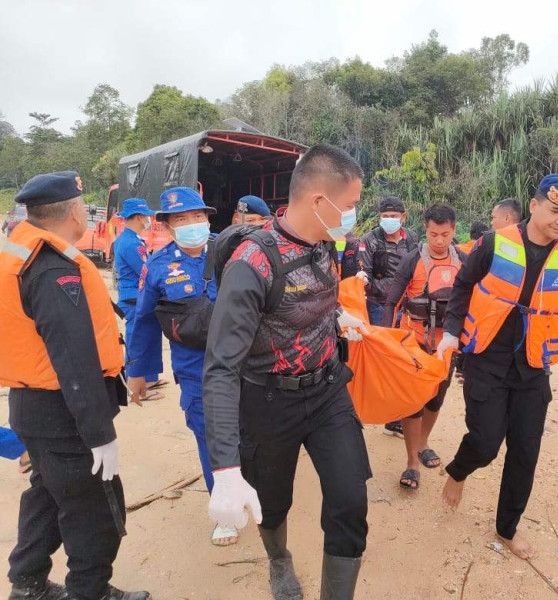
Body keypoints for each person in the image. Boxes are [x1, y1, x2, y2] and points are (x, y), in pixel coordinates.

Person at [203, 144, 371, 600]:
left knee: (350, 500)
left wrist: (338, 318)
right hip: (268, 402)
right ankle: (279, 562)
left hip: (327, 391)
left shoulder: (325, 244)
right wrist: (225, 468)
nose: (354, 215)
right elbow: (220, 368)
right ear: (320, 200)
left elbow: (308, 302)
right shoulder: (252, 263)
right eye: (352, 205)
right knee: (273, 504)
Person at [437, 174, 558, 559]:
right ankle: (459, 470)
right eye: (555, 210)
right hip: (487, 359)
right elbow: (462, 286)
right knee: (484, 443)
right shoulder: (494, 242)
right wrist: (450, 331)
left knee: (525, 451)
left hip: (533, 365)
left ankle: (507, 528)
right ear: (534, 206)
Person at [0, 171, 149, 600]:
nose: (86, 212)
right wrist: (99, 434)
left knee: (47, 493)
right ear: (71, 212)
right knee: (94, 509)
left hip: (35, 405)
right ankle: (91, 591)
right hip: (63, 411)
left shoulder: (25, 251)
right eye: (84, 205)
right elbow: (74, 360)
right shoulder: (50, 268)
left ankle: (27, 583)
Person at [125, 187, 237, 547]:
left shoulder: (233, 248)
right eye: (181, 219)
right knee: (209, 436)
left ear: (208, 219)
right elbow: (142, 321)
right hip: (195, 368)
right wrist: (139, 372)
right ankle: (224, 510)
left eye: (197, 217)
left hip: (245, 361)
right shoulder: (158, 266)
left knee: (250, 431)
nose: (192, 224)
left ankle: (245, 484)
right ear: (169, 227)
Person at [381, 204, 465, 490]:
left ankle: (423, 442)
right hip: (415, 344)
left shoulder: (463, 261)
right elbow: (392, 301)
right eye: (433, 234)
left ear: (454, 230)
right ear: (425, 230)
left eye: (444, 234)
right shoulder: (411, 260)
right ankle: (411, 462)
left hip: (446, 348)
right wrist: (388, 339)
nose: (439, 240)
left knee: (436, 400)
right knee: (413, 402)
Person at [358, 195, 417, 438]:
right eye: (385, 217)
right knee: (384, 358)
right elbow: (365, 274)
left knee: (403, 356)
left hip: (407, 306)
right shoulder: (369, 240)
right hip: (380, 306)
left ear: (403, 217)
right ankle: (383, 411)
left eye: (394, 216)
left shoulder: (412, 238)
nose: (389, 220)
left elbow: (418, 267)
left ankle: (397, 414)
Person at [112, 198, 166, 400]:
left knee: (149, 337)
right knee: (138, 341)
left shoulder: (128, 239)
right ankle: (135, 389)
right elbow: (145, 271)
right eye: (146, 216)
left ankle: (149, 379)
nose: (148, 220)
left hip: (137, 297)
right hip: (135, 298)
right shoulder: (131, 243)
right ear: (137, 217)